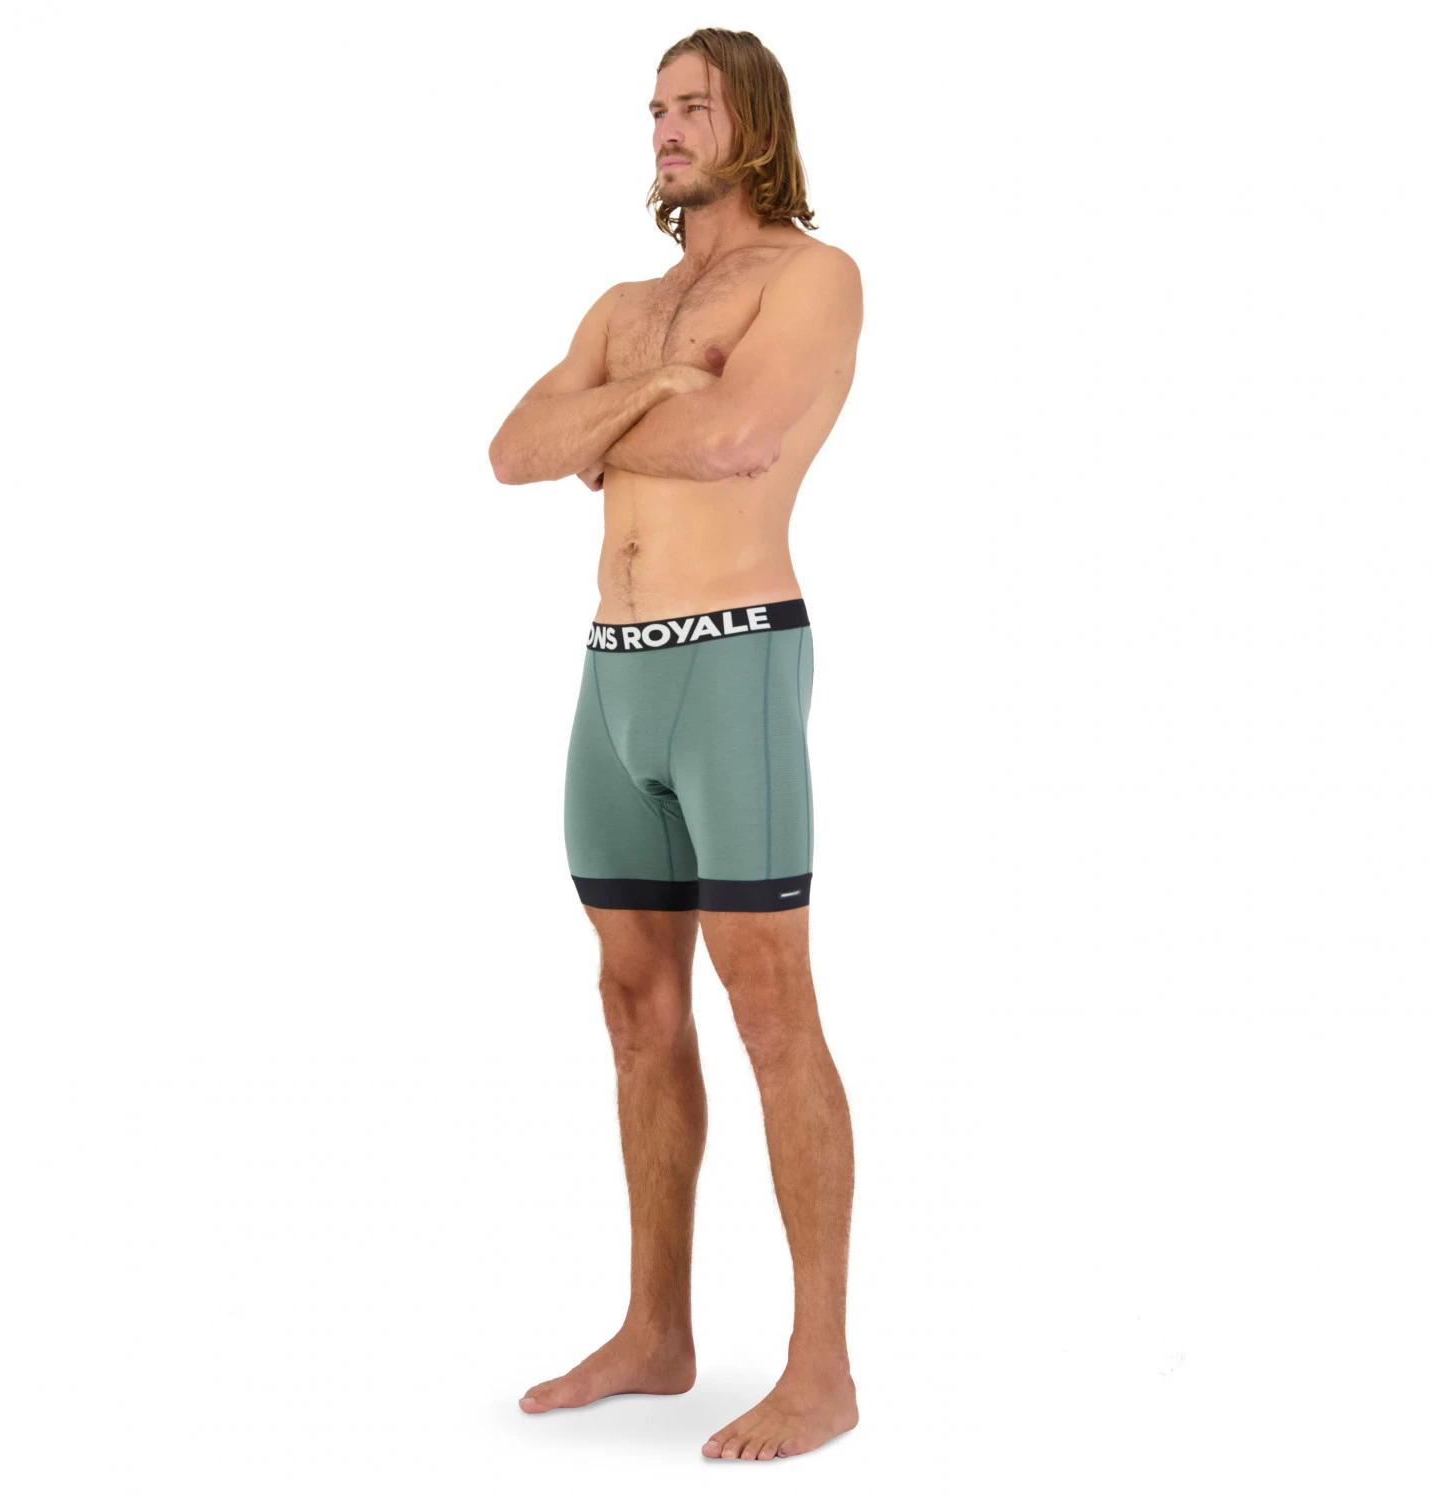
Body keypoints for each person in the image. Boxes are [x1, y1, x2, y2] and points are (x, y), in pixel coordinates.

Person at [488, 28, 864, 1462]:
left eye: (693, 105)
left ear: (754, 121)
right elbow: (512, 450)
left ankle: (821, 1370)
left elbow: (740, 443)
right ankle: (657, 1330)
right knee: (634, 1006)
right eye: (656, 108)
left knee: (771, 1009)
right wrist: (650, 392)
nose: (666, 127)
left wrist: (600, 431)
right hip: (614, 677)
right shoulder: (628, 307)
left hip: (734, 658)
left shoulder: (810, 278)